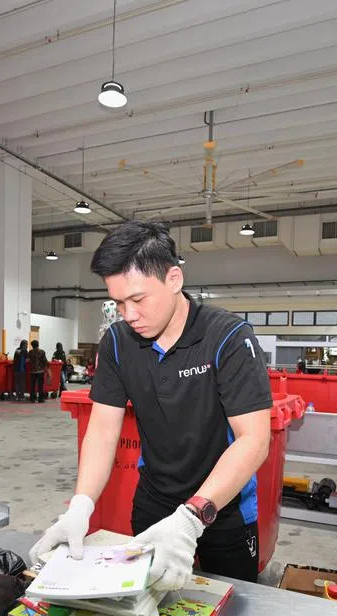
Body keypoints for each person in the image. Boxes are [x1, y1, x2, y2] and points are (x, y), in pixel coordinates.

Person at [30, 221, 272, 589]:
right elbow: (103, 427)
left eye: (138, 300)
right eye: (118, 302)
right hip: (154, 503)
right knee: (147, 609)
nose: (128, 315)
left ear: (174, 279)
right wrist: (81, 504)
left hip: (223, 507)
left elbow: (253, 439)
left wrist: (193, 516)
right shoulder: (117, 342)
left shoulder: (228, 338)